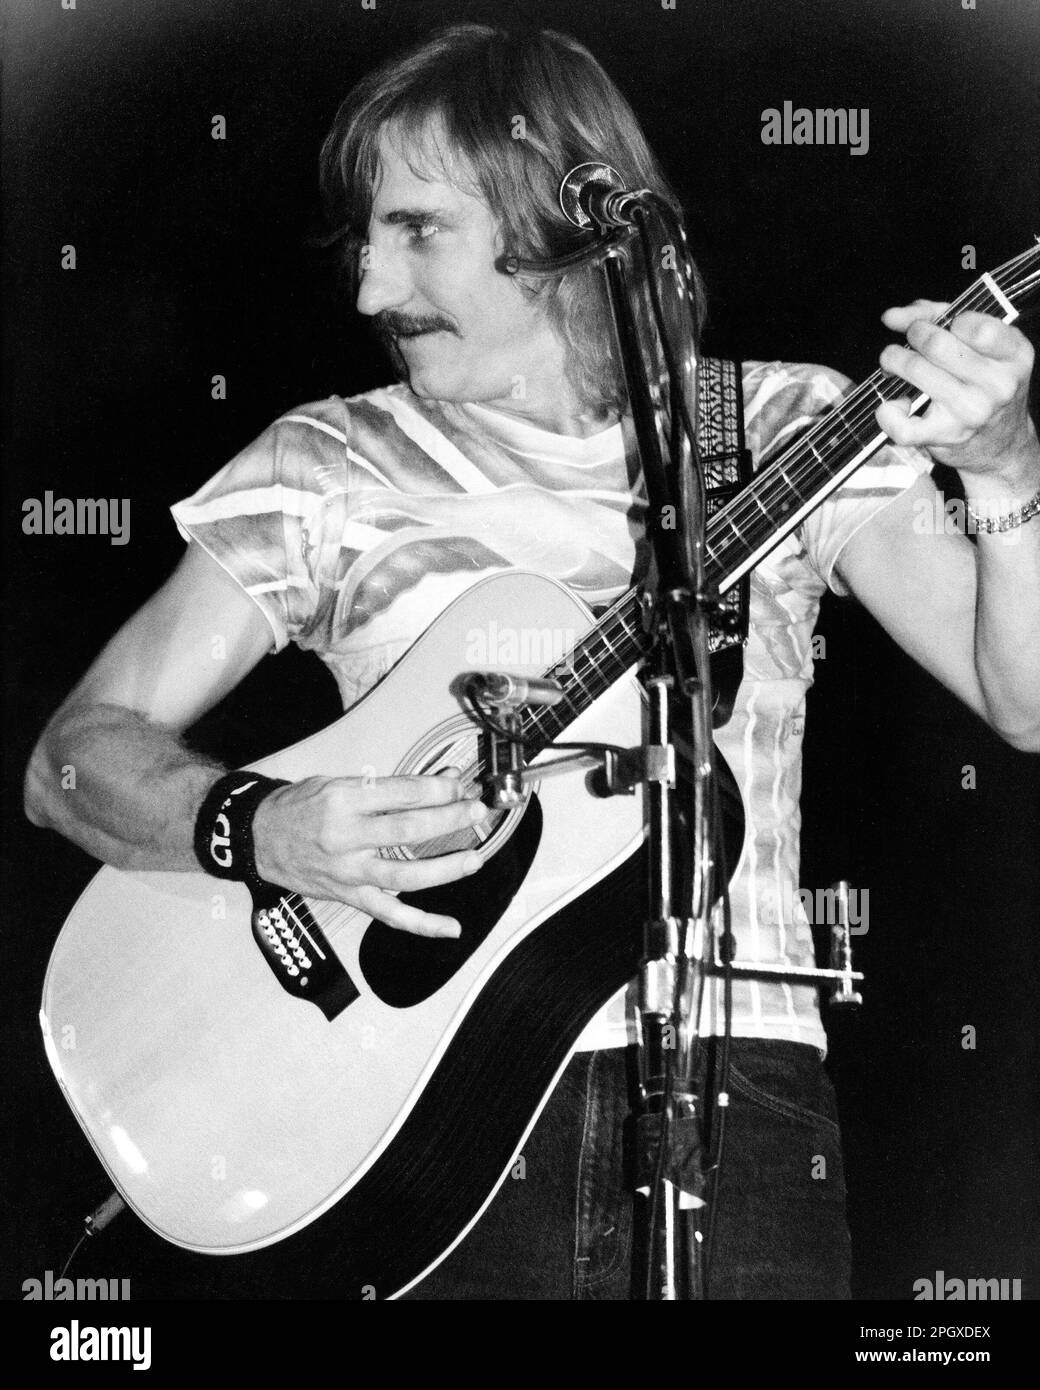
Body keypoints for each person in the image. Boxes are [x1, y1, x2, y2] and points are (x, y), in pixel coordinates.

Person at [24, 24, 1040, 1300]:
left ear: (562, 212)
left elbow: (1026, 702)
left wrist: (1004, 467)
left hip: (746, 1091)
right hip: (419, 1121)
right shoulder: (326, 465)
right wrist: (261, 825)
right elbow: (70, 759)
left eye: (415, 232)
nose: (367, 290)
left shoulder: (783, 425)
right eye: (362, 240)